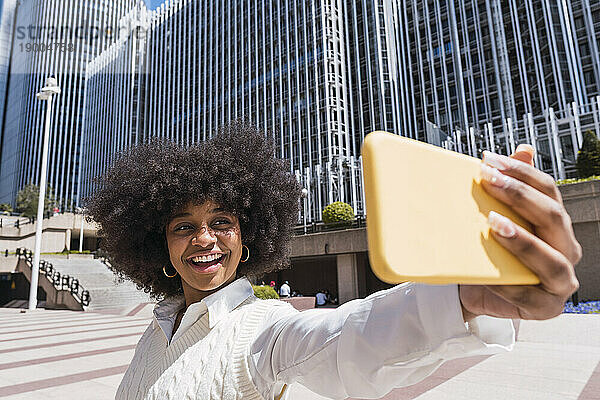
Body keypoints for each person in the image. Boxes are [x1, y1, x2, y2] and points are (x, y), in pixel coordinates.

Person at [87, 122, 580, 400]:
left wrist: (463, 298)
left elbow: (345, 339)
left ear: (250, 235)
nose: (203, 239)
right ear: (161, 247)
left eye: (222, 221)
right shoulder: (157, 327)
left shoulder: (266, 329)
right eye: (182, 226)